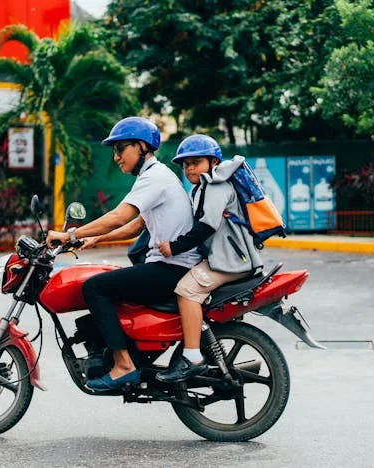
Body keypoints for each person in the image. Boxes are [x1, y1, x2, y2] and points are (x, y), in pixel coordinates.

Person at [46, 117, 201, 391]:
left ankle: (124, 365)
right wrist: (96, 239)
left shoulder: (155, 176)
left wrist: (70, 235)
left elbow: (120, 216)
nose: (116, 157)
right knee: (110, 283)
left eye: (120, 149)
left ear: (141, 146)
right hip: (171, 266)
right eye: (114, 151)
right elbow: (137, 225)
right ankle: (121, 353)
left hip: (172, 269)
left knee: (95, 287)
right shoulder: (156, 175)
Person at [155, 135, 264, 383]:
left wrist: (174, 247)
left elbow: (206, 226)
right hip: (227, 257)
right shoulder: (203, 186)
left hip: (232, 261)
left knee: (186, 291)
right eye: (185, 164)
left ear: (213, 161)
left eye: (196, 161)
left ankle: (192, 357)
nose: (189, 167)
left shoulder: (217, 185)